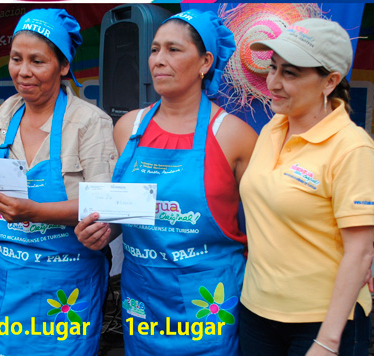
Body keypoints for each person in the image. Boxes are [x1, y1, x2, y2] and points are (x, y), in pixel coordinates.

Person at [76, 9, 257, 355]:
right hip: (143, 302)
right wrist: (102, 231)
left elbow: (263, 229)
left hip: (210, 303)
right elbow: (124, 211)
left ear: (205, 61)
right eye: (155, 49)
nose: (159, 60)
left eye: (174, 50)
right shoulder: (127, 128)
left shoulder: (234, 135)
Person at [0, 8, 117, 355]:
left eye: (37, 61)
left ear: (63, 66)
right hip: (4, 282)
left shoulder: (89, 123)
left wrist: (35, 211)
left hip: (67, 284)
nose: (23, 72)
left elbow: (106, 204)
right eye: (16, 59)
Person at [238, 18, 374, 356]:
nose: (273, 82)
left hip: (323, 322)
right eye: (272, 68)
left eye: (290, 73)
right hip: (258, 311)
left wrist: (328, 342)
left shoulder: (352, 149)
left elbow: (359, 251)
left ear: (330, 81)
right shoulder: (273, 128)